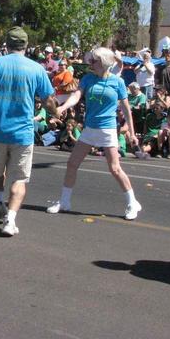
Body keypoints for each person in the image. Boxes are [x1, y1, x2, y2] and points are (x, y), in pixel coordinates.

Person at [46, 47, 142, 220]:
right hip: (90, 128)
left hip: (107, 129)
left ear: (104, 63)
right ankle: (64, 201)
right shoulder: (88, 79)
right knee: (72, 164)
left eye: (94, 60)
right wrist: (62, 107)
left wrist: (132, 133)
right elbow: (76, 96)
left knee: (114, 168)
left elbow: (126, 109)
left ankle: (132, 202)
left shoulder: (117, 82)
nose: (90, 63)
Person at [0, 26, 57, 236]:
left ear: (7, 43)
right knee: (19, 178)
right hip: (22, 132)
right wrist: (56, 112)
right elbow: (48, 99)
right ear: (26, 44)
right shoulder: (36, 69)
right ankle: (10, 220)